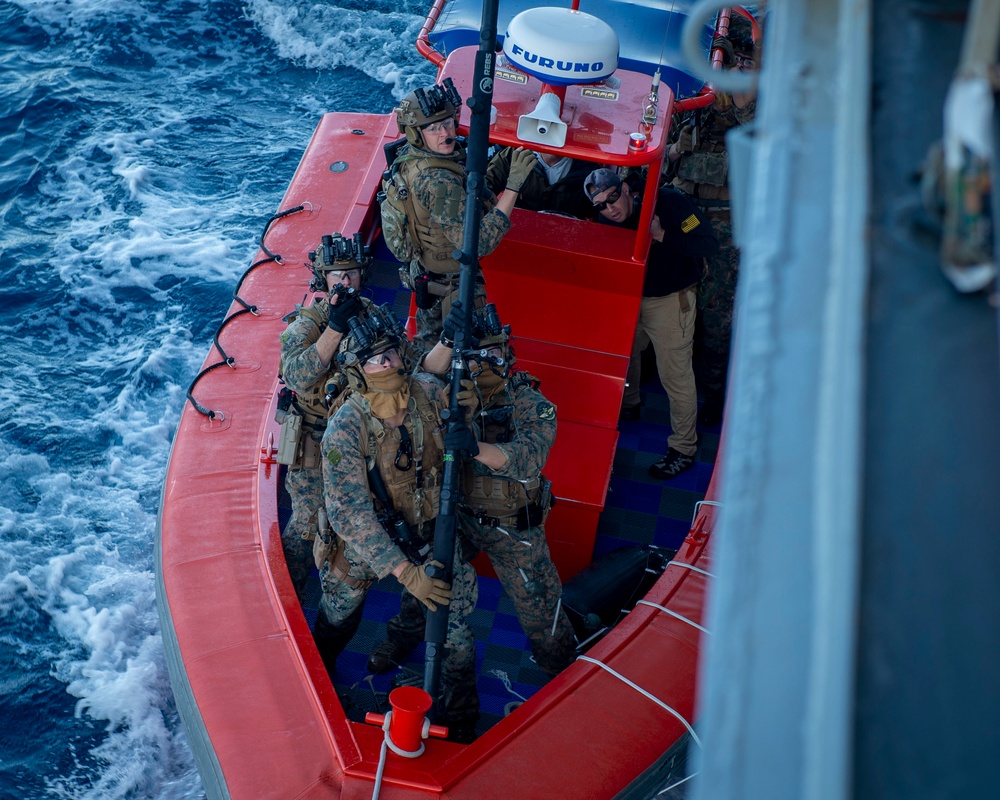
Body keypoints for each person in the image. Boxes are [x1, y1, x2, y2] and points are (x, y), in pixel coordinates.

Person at [368, 303, 576, 679]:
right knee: (426, 581)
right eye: (474, 355)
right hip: (457, 515)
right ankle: (404, 635)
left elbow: (529, 457)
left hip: (512, 526)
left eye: (492, 353)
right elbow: (417, 378)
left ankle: (561, 670)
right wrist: (448, 342)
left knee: (541, 606)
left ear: (507, 356)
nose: (484, 363)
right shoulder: (448, 393)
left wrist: (475, 447)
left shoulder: (532, 404)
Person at [315, 304, 481, 739]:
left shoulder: (424, 393)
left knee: (457, 628)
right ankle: (319, 675)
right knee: (338, 612)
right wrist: (406, 572)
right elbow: (349, 515)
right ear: (358, 370)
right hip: (367, 542)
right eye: (373, 358)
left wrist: (469, 397)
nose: (385, 362)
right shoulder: (347, 428)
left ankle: (461, 717)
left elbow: (442, 379)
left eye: (390, 353)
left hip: (427, 530)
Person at [380, 78, 536, 353]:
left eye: (448, 123)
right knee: (464, 357)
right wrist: (513, 187)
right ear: (417, 134)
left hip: (429, 273)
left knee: (428, 346)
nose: (445, 133)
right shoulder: (438, 182)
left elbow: (464, 193)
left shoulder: (411, 157)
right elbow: (477, 244)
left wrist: (502, 164)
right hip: (454, 285)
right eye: (434, 128)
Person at [584, 168, 718, 479]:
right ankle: (630, 402)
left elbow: (708, 243)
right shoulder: (605, 217)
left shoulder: (670, 204)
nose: (610, 208)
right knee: (624, 357)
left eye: (614, 197)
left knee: (675, 375)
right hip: (630, 297)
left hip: (671, 301)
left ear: (627, 189)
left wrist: (663, 236)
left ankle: (683, 448)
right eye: (601, 205)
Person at [667, 13, 760, 426]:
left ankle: (714, 397)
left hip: (726, 222)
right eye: (724, 59)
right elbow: (665, 150)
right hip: (683, 214)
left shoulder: (758, 101)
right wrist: (676, 152)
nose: (729, 69)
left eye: (742, 61)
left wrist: (737, 82)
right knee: (671, 302)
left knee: (717, 316)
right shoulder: (694, 94)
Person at [277, 232, 373, 602]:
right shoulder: (306, 324)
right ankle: (287, 599)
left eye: (351, 274)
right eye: (337, 275)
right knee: (306, 526)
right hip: (315, 441)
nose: (345, 282)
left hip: (361, 438)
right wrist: (335, 326)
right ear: (323, 280)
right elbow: (297, 376)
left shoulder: (373, 318)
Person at [485, 146, 600, 218]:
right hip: (516, 232)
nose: (554, 138)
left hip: (565, 241)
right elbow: (482, 191)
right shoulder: (512, 156)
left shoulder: (589, 169)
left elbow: (600, 212)